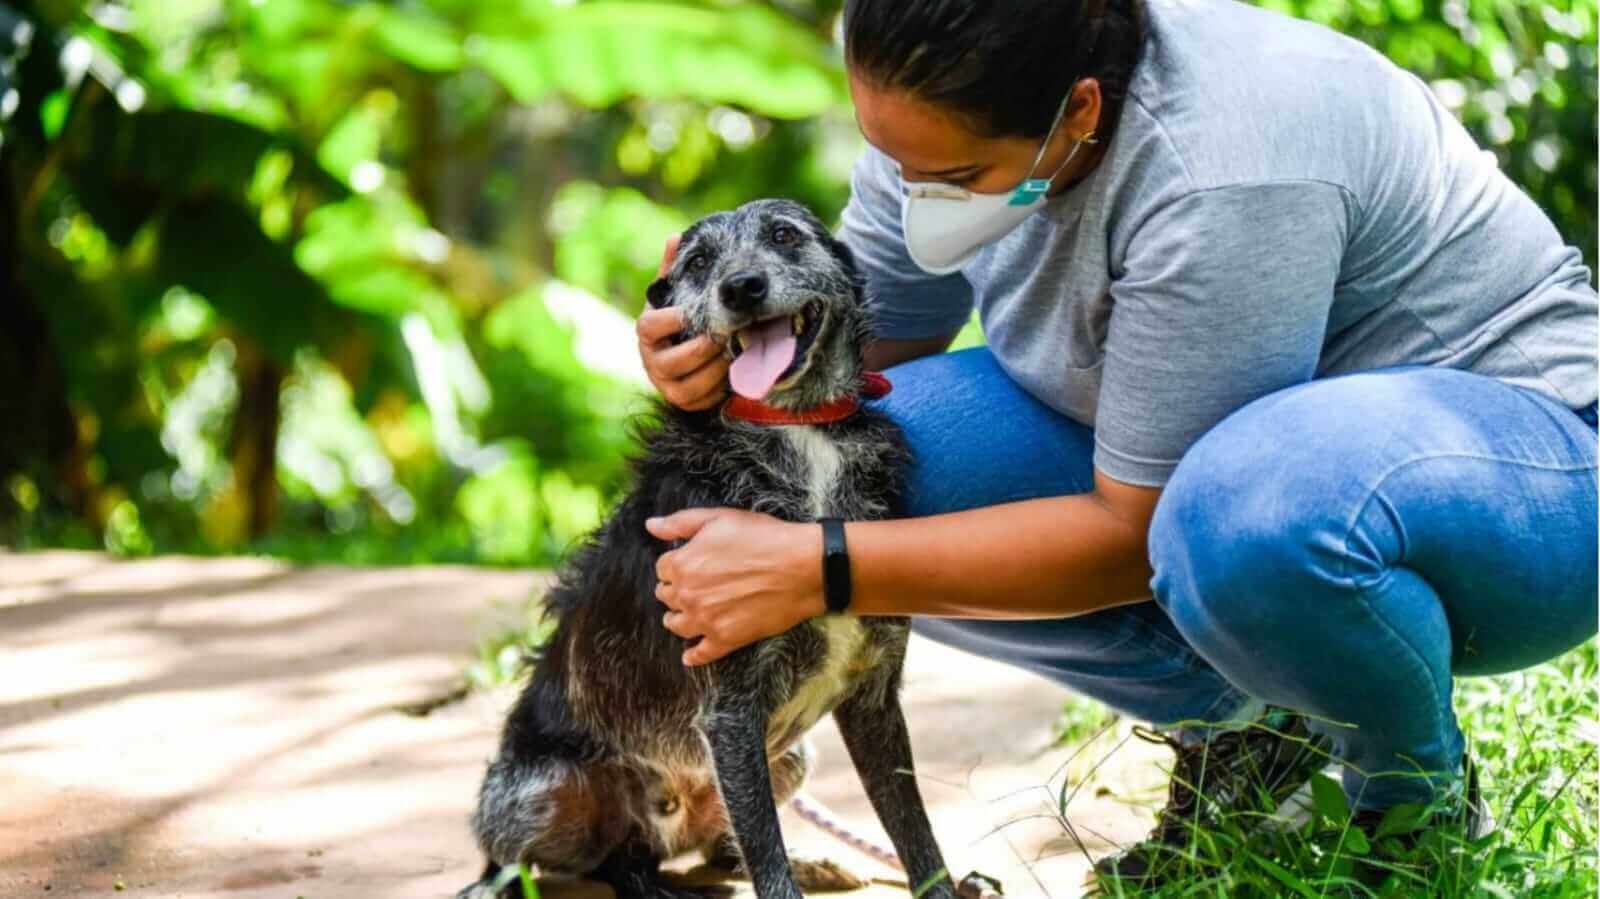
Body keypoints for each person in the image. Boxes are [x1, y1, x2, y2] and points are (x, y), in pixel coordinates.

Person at [635, 0, 1599, 886]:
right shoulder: (937, 85)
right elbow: (855, 359)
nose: (912, 192)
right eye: (891, 159)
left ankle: (1410, 809)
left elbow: (1133, 531)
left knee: (1238, 519)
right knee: (848, 470)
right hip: (1230, 452)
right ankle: (1261, 739)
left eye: (956, 178)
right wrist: (720, 362)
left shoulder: (1219, 166)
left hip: (1518, 469)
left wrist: (824, 566)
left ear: (1080, 112)